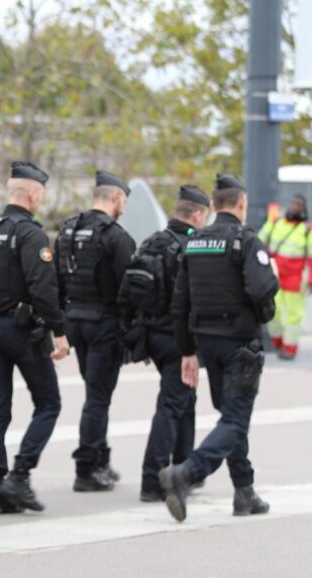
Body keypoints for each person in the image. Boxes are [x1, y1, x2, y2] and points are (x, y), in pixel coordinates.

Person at [160, 173, 279, 523]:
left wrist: (187, 352)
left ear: (213, 206)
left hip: (206, 343)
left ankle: (245, 492)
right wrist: (267, 300)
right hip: (240, 343)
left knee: (230, 417)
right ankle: (186, 473)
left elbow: (179, 303)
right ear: (241, 204)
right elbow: (261, 291)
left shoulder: (194, 242)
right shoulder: (246, 241)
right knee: (235, 419)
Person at [0, 161, 69, 515]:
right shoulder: (30, 234)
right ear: (34, 193)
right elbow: (43, 287)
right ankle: (20, 476)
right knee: (49, 403)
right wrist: (60, 332)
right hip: (21, 330)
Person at [119, 185, 210, 502]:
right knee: (172, 406)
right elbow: (195, 300)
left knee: (185, 401)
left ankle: (184, 470)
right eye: (205, 217)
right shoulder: (191, 246)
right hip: (178, 340)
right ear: (197, 214)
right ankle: (153, 480)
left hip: (151, 336)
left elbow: (127, 291)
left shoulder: (152, 242)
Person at [56, 170, 136, 492]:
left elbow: (58, 281)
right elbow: (129, 288)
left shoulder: (68, 230)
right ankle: (87, 469)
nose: (124, 208)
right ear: (115, 197)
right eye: (124, 202)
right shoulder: (116, 237)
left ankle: (100, 459)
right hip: (104, 324)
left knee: (95, 393)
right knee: (98, 399)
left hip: (75, 320)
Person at [259, 194, 312, 360]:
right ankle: (278, 342)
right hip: (275, 274)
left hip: (295, 278)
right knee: (274, 312)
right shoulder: (276, 222)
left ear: (304, 208)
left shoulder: (310, 229)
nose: (295, 207)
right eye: (293, 203)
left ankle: (290, 348)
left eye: (299, 204)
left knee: (293, 315)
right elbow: (259, 241)